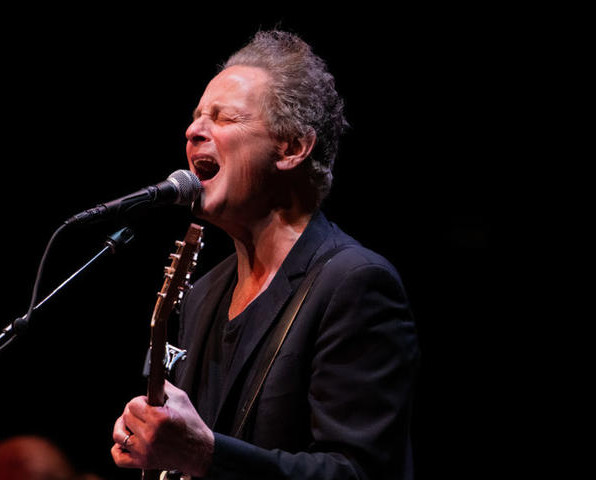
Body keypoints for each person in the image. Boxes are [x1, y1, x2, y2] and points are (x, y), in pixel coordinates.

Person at [110, 30, 419, 479]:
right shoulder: (204, 294)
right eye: (197, 117)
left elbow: (360, 472)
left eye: (223, 118)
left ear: (292, 148)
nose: (194, 130)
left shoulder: (354, 284)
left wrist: (205, 455)